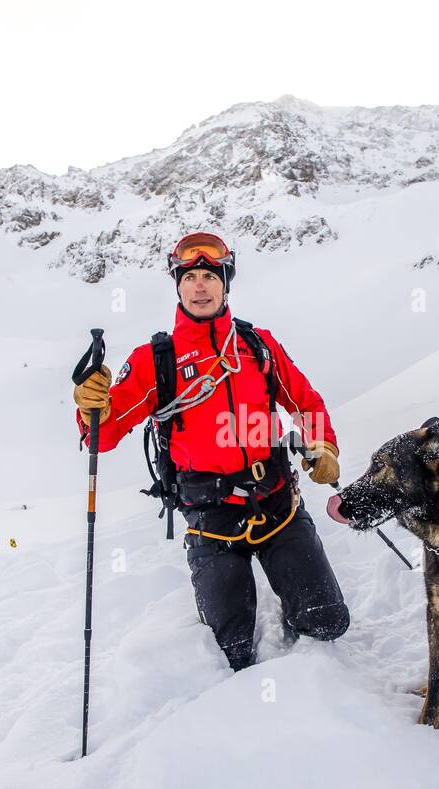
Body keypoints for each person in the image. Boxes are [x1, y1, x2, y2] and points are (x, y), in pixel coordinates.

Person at [72, 231, 349, 670]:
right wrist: (91, 407)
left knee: (328, 623)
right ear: (178, 286)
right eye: (190, 277)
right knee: (232, 651)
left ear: (225, 284)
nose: (200, 285)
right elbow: (101, 438)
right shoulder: (155, 359)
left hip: (278, 503)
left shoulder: (257, 345)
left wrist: (322, 443)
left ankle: (300, 636)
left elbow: (306, 402)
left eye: (209, 276)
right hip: (211, 517)